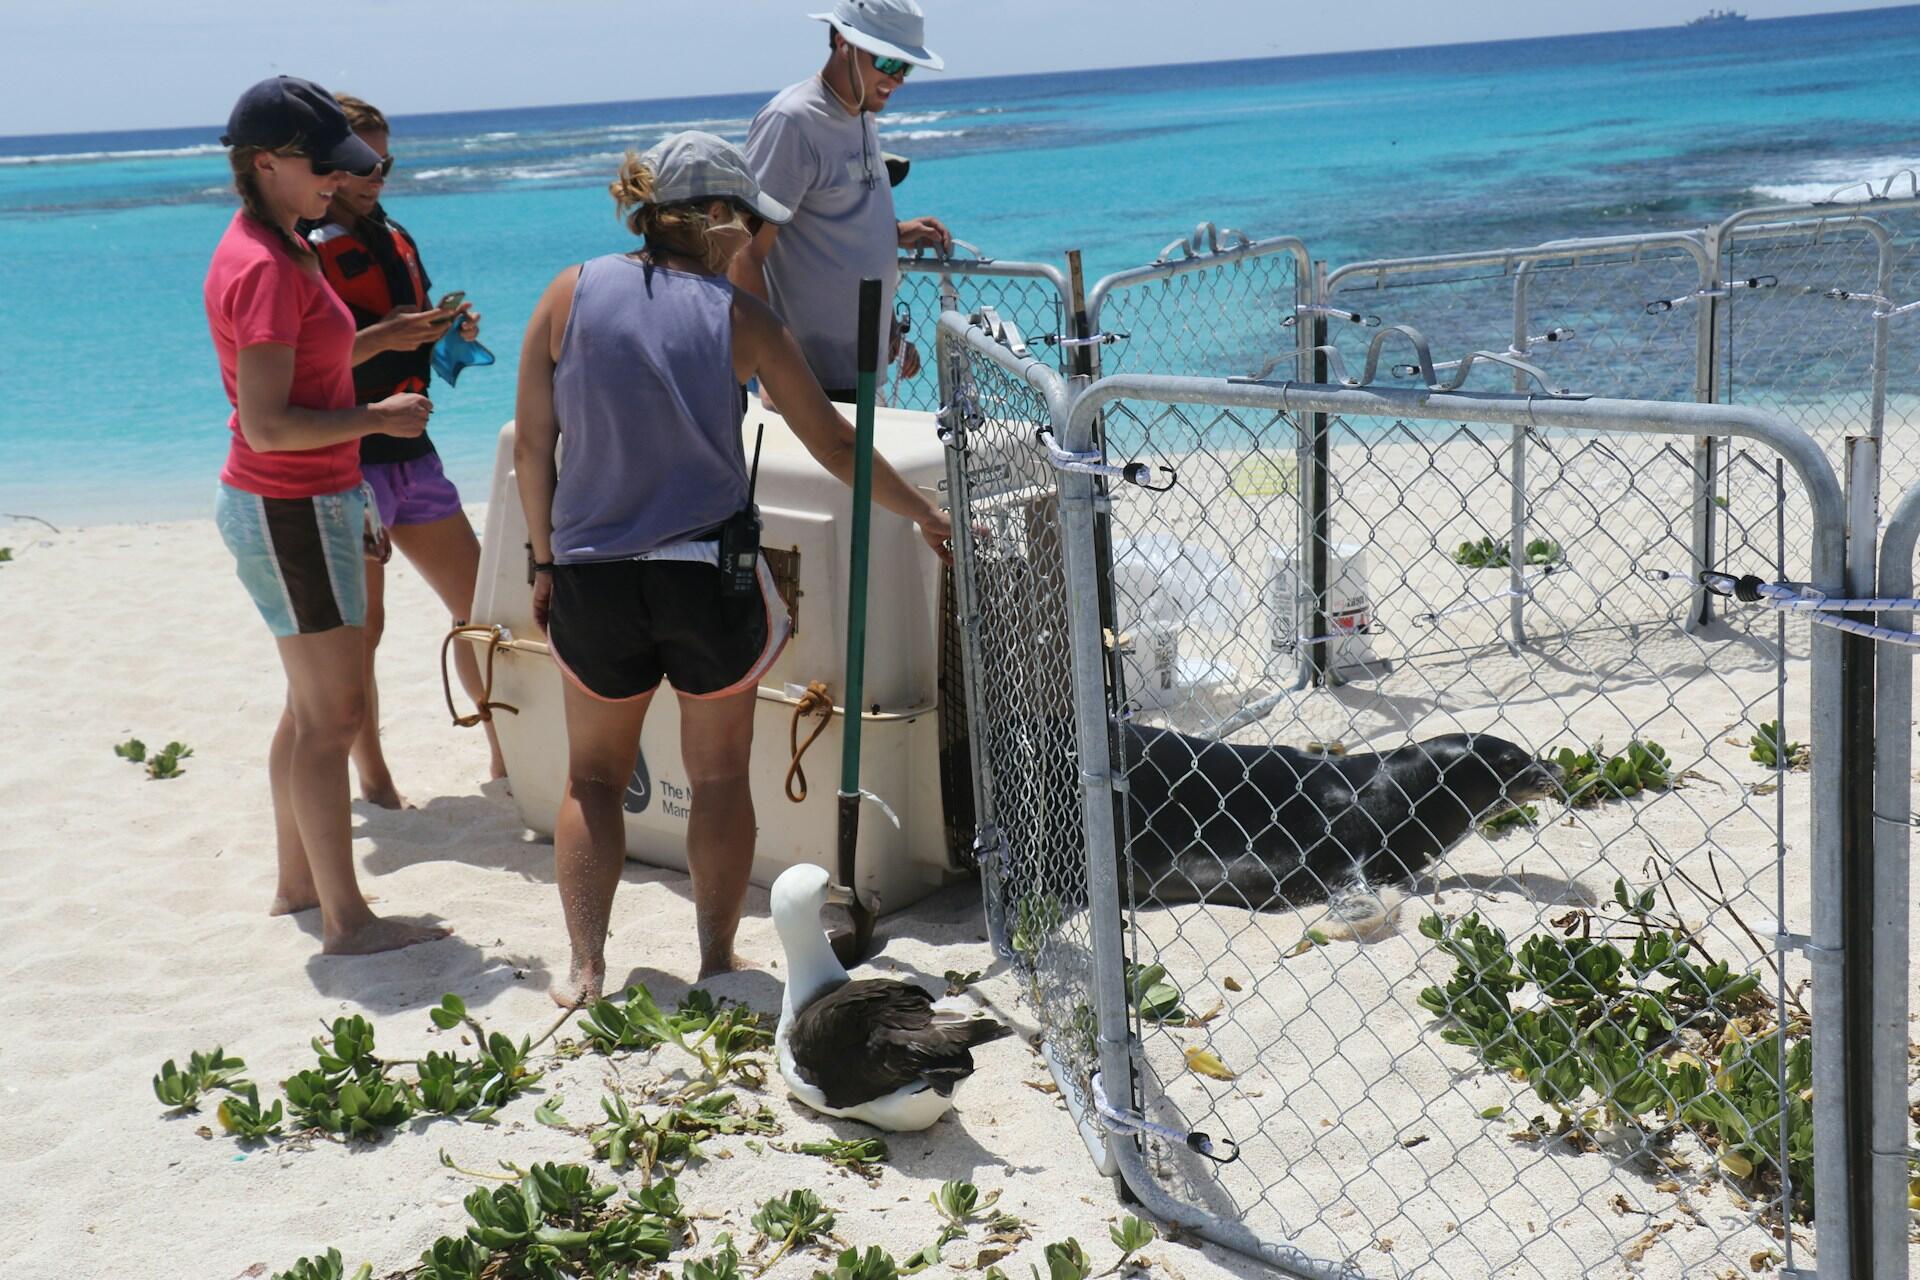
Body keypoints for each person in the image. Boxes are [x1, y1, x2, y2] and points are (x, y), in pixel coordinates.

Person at [515, 132, 952, 1002]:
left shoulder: (567, 293)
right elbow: (832, 442)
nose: (757, 237)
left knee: (593, 777)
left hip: (593, 576)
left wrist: (542, 556)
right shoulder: (742, 318)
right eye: (750, 220)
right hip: (705, 578)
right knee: (717, 776)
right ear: (714, 217)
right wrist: (926, 514)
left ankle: (586, 969)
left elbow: (535, 442)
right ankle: (716, 960)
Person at [204, 76, 451, 954]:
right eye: (323, 168)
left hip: (304, 503)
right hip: (291, 506)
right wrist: (376, 420)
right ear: (264, 163)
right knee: (331, 717)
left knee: (309, 710)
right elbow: (269, 424)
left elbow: (313, 355)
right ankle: (347, 921)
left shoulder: (279, 243)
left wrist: (385, 340)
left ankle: (298, 887)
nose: (335, 183)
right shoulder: (267, 265)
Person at [305, 94, 506, 808]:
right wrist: (388, 336)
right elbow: (299, 367)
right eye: (363, 161)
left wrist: (442, 329)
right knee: (367, 629)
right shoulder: (305, 247)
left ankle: (505, 752)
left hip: (413, 454)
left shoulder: (392, 233)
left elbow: (400, 332)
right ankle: (375, 776)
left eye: (385, 160)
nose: (378, 174)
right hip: (348, 461)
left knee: (482, 607)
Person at [730, 0, 954, 402]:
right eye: (888, 62)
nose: (898, 78)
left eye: (906, 66)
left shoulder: (863, 113)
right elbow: (743, 252)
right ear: (842, 42)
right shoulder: (793, 121)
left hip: (862, 373)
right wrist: (771, 367)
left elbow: (828, 211)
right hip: (807, 382)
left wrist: (896, 233)